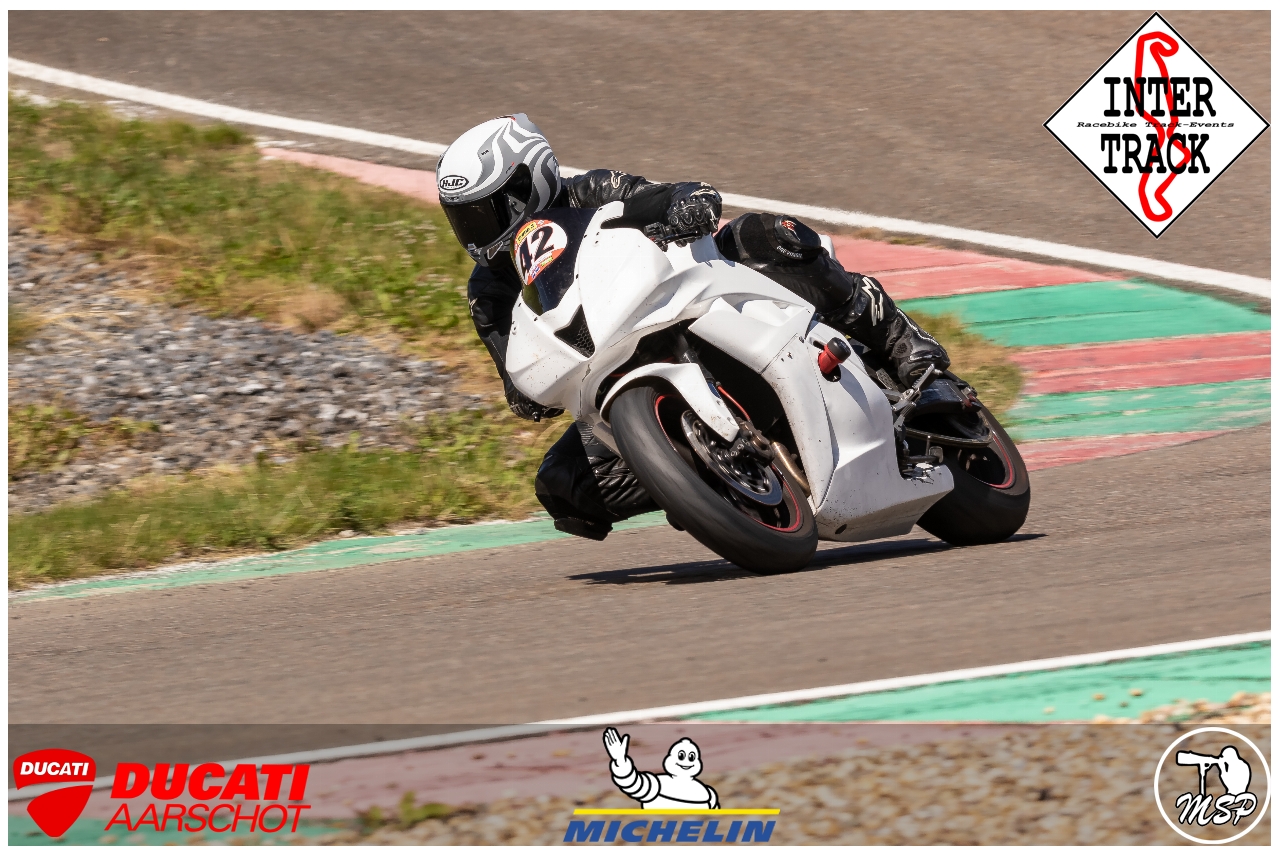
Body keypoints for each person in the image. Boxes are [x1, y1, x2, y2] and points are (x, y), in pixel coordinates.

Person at [437, 114, 949, 541]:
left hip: (682, 300)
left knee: (765, 234)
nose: (475, 233)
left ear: (529, 183)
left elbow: (670, 195)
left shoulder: (591, 191)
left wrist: (687, 204)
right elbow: (518, 386)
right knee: (563, 484)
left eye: (485, 213)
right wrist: (531, 387)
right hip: (607, 370)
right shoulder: (489, 291)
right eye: (463, 219)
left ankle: (903, 344)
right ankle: (705, 479)